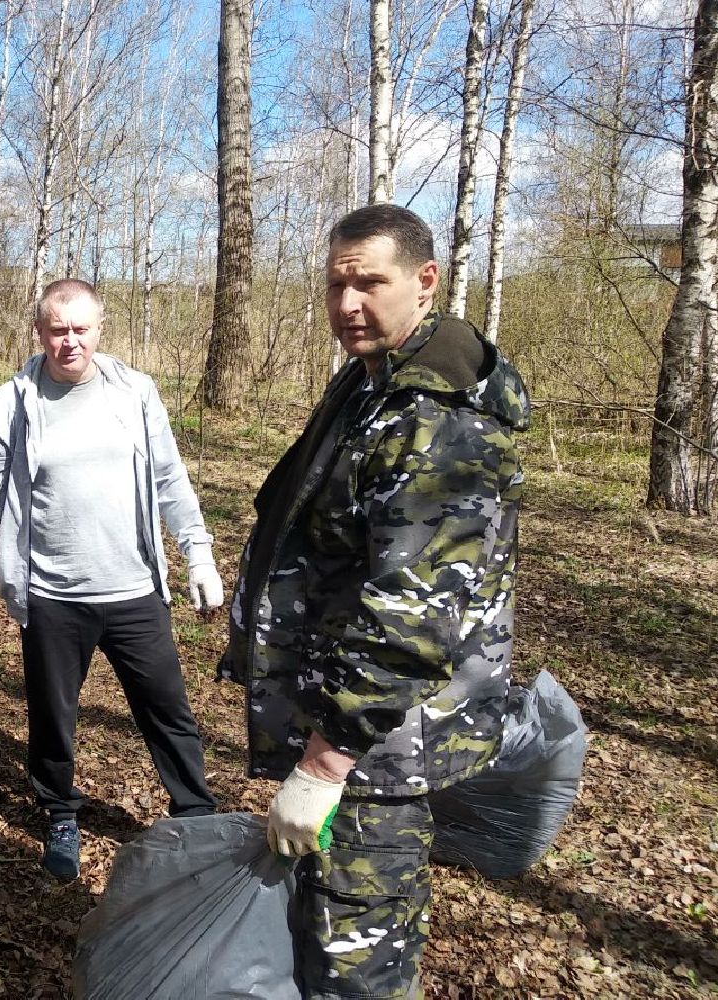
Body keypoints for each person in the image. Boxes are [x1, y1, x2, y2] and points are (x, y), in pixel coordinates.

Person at [221, 204, 530, 999]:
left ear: (424, 281)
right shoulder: (374, 386)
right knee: (328, 929)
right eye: (336, 284)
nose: (348, 304)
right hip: (349, 726)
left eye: (369, 283)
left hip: (378, 747)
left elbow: (410, 616)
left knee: (357, 959)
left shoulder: (435, 420)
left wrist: (325, 765)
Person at [0, 279, 223, 881]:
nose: (69, 341)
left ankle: (195, 813)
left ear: (99, 329)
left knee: (167, 710)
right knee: (53, 715)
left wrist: (197, 552)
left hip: (134, 591)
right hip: (53, 596)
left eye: (80, 329)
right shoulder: (10, 406)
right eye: (57, 329)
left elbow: (171, 480)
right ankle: (59, 814)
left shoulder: (136, 393)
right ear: (39, 331)